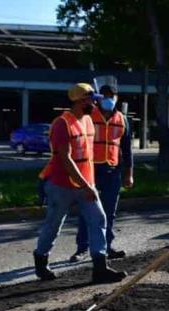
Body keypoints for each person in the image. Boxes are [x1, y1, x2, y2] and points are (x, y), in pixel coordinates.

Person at [32, 83, 127, 283]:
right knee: (53, 224)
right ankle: (41, 261)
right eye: (91, 99)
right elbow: (65, 159)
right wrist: (84, 185)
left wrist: (88, 184)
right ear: (80, 101)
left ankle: (100, 268)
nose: (95, 103)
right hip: (62, 184)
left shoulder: (88, 121)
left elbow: (88, 156)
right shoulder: (61, 124)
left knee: (98, 219)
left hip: (85, 183)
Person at [70, 84, 134, 262]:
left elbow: (127, 150)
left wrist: (129, 174)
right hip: (91, 170)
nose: (108, 100)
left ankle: (106, 245)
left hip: (113, 170)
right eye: (104, 96)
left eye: (112, 96)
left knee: (109, 211)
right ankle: (82, 248)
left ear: (117, 98)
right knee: (87, 210)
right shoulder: (89, 115)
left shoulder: (122, 119)